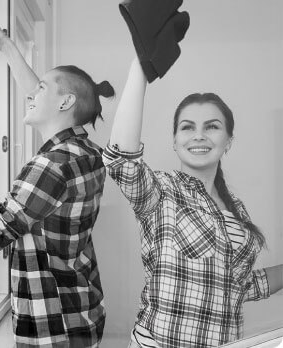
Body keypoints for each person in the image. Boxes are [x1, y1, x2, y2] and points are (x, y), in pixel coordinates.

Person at [102, 57, 283, 348]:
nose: (199, 135)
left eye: (212, 126)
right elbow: (121, 160)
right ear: (175, 140)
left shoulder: (237, 210)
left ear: (229, 140)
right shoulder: (161, 191)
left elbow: (241, 286)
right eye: (187, 127)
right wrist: (141, 65)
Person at [0, 15, 115, 348]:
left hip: (53, 331)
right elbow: (50, 101)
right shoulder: (88, 153)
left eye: (41, 89)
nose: (30, 94)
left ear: (65, 103)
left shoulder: (50, 166)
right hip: (83, 312)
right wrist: (6, 45)